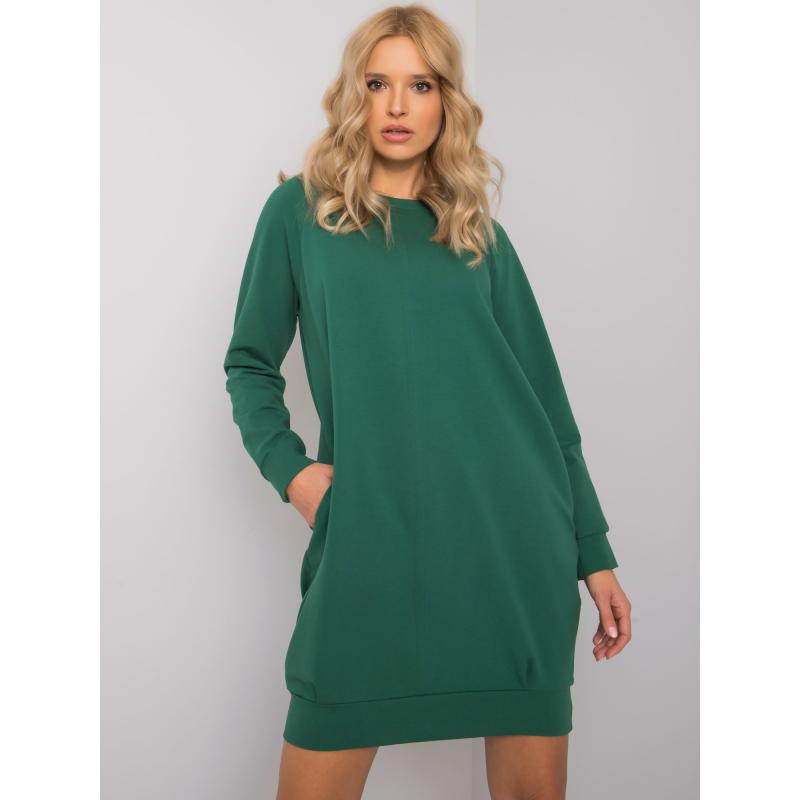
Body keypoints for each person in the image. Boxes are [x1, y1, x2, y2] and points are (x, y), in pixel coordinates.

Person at [223, 5, 632, 798]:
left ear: (447, 99)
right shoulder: (301, 214)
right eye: (378, 83)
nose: (398, 105)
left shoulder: (477, 236)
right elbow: (249, 364)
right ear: (354, 93)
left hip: (512, 552)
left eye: (421, 84)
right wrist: (294, 473)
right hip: (370, 551)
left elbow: (548, 409)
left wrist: (595, 552)